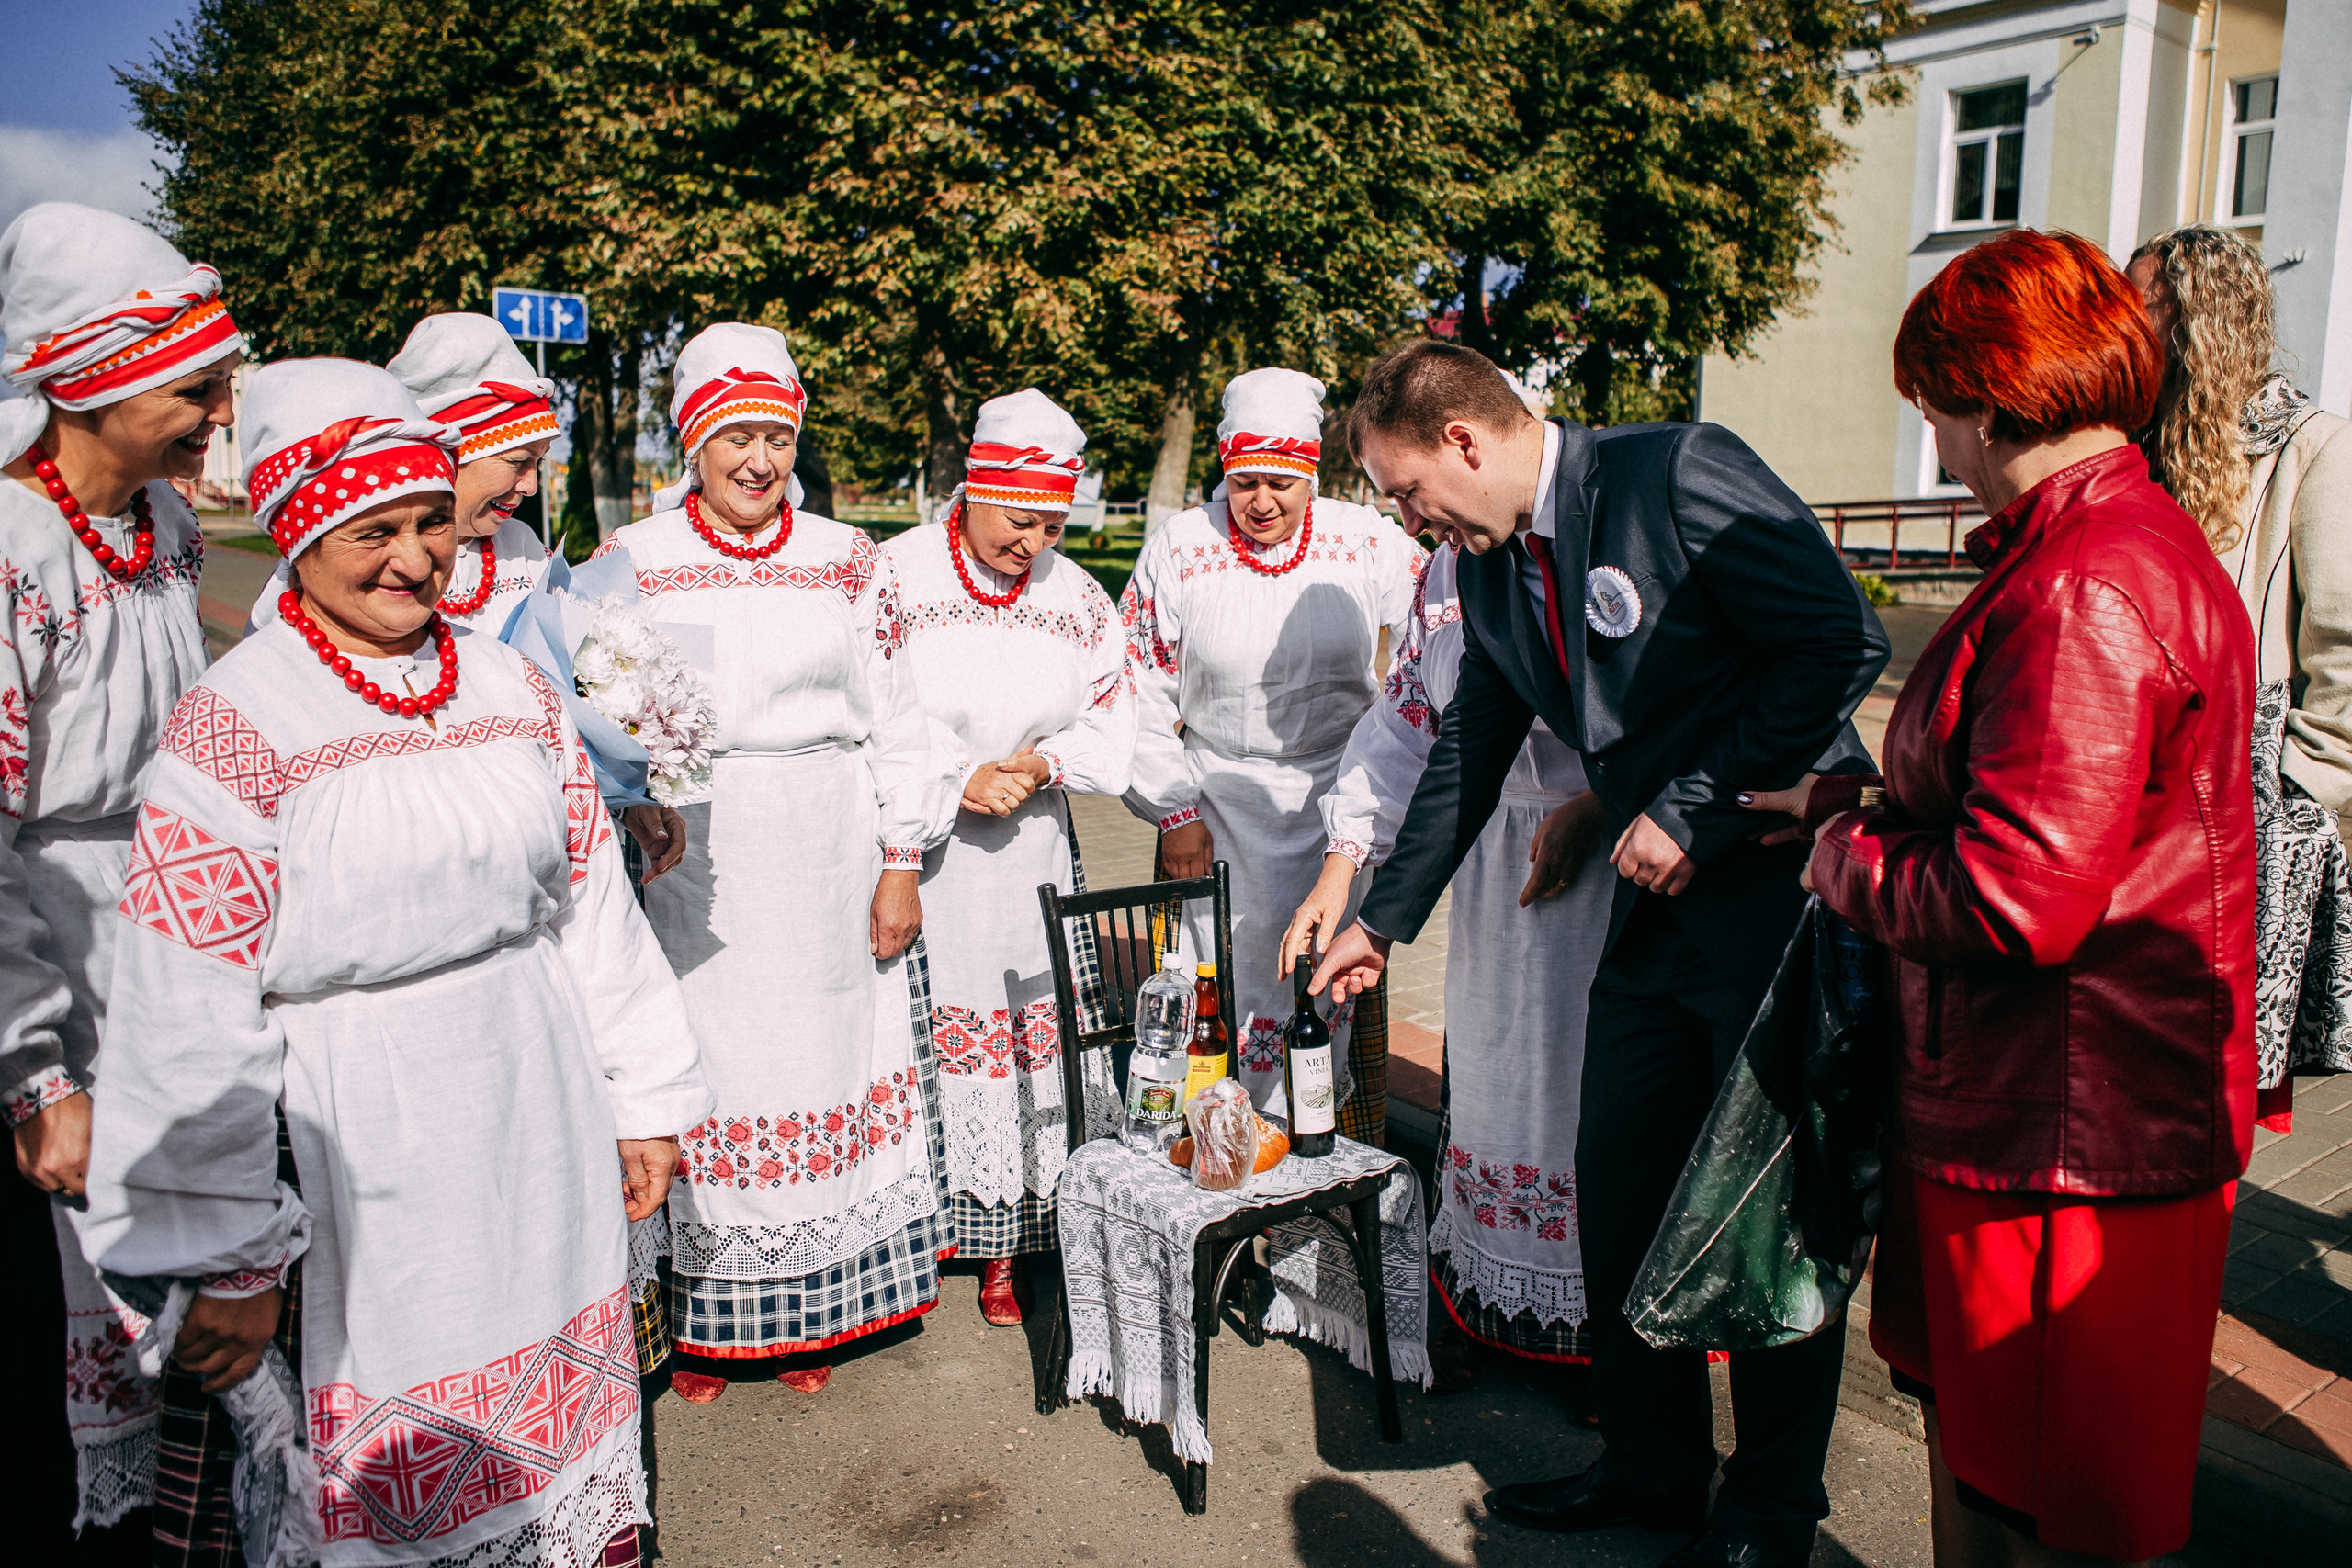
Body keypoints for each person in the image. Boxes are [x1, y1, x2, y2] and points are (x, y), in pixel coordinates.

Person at [81, 358, 711, 1566]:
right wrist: (229, 1248)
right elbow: (188, 1004)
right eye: (376, 528)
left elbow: (591, 904)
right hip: (364, 1144)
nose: (416, 558)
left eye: (430, 519)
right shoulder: (238, 723)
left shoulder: (511, 683)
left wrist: (645, 1094)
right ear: (299, 531)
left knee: (557, 1433)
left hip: (538, 1124)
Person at [1310, 339, 1887, 1567]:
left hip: (1771, 891)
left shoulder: (1675, 473)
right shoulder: (1493, 570)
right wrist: (1376, 918)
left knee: (1765, 1210)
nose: (1406, 519)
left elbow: (1837, 643)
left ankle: (1773, 1510)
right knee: (1617, 1177)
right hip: (1656, 914)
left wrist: (1689, 804)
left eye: (1404, 489)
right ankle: (1653, 1465)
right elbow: (1470, 744)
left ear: (1464, 439)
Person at [1747, 229, 2255, 1568]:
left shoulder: (2084, 579)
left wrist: (1839, 860)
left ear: (1981, 392)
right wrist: (1847, 804)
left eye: (1932, 406)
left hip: (2060, 1126)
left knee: (2034, 1487)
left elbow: (2017, 896)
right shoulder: (2106, 541)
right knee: (2003, 1464)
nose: (1934, 442)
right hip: (2062, 1105)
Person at [588, 323, 956, 1400]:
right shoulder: (633, 562)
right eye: (735, 437)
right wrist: (636, 806)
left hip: (827, 841)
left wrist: (900, 861)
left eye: (777, 438)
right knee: (705, 1060)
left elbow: (897, 717)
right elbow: (608, 713)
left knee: (827, 1058)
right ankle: (700, 1319)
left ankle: (813, 1310)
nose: (759, 460)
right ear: (692, 443)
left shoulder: (848, 559)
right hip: (696, 849)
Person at [0, 202, 238, 1559]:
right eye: (192, 389)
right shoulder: (12, 547)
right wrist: (33, 1068)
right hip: (49, 937)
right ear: (88, 386)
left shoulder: (162, 524)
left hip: (152, 937)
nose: (217, 413)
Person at [1284, 535, 1611, 1378]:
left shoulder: (1585, 545)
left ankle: (1597, 1338)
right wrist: (1340, 870)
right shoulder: (1444, 572)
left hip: (1598, 851)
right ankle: (1489, 1301)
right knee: (1492, 1065)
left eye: (1406, 489)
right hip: (1485, 843)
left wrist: (1605, 800)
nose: (1403, 516)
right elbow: (1404, 728)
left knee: (1581, 1079)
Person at [880, 389, 1136, 1325]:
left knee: (1032, 1041)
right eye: (1017, 519)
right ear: (972, 490)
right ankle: (922, 1230)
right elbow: (876, 710)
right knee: (922, 1040)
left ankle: (1012, 1242)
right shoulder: (897, 575)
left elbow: (1116, 711)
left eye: (1053, 525)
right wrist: (953, 778)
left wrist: (1047, 763)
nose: (1032, 543)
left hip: (1030, 852)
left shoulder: (1076, 598)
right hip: (927, 856)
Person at [1124, 368, 1423, 1139]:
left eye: (1283, 483)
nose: (1262, 502)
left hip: (1337, 803)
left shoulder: (1365, 540)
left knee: (1328, 986)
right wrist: (1173, 811)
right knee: (1209, 984)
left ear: (1312, 472)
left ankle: (1326, 1160)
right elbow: (1134, 687)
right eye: (1245, 480)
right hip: (1214, 807)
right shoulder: (1182, 547)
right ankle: (1215, 1155)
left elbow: (1438, 622)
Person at [2129, 224, 2352, 1119]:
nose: (2117, 319)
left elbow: (2342, 658)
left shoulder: (2312, 450)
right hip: (2138, 822)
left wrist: (2289, 801)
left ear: (2196, 318)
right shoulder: (2134, 452)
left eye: (2137, 302)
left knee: (2201, 1093)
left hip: (2244, 834)